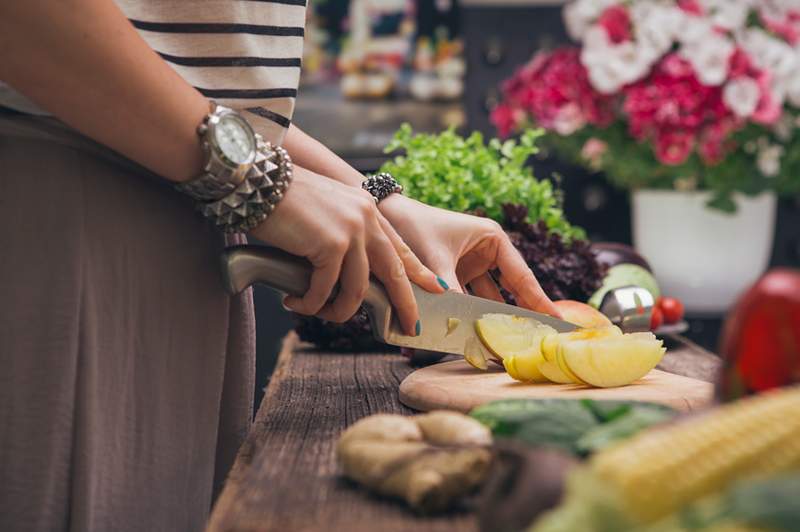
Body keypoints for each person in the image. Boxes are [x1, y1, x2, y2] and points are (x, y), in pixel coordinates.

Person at [0, 1, 558, 531]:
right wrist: (250, 179)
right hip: (64, 236)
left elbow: (195, 80)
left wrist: (379, 204)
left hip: (189, 225)